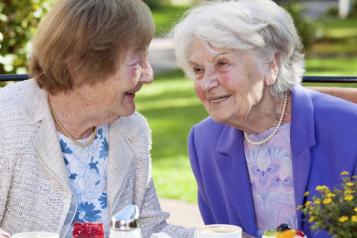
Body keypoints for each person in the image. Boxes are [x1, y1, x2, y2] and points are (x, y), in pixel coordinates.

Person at [0, 0, 193, 238]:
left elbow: (151, 230)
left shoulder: (132, 130)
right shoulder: (6, 122)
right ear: (83, 66)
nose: (149, 75)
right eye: (136, 62)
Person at [171, 0, 357, 237]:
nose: (207, 83)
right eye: (198, 70)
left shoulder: (349, 129)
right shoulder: (204, 141)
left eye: (222, 63)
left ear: (271, 65)